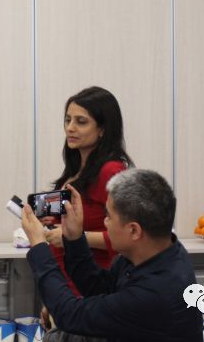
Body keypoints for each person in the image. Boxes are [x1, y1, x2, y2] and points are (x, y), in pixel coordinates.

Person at [22, 169, 203, 342]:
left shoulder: (155, 293)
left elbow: (71, 315)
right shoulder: (156, 251)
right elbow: (98, 287)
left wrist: (39, 246)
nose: (105, 222)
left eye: (108, 216)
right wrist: (74, 238)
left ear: (134, 230)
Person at [43, 87, 134, 309]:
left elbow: (127, 237)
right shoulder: (75, 170)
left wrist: (73, 238)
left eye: (81, 122)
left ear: (102, 129)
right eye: (68, 120)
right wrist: (49, 219)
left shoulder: (111, 171)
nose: (70, 128)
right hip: (64, 286)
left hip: (90, 290)